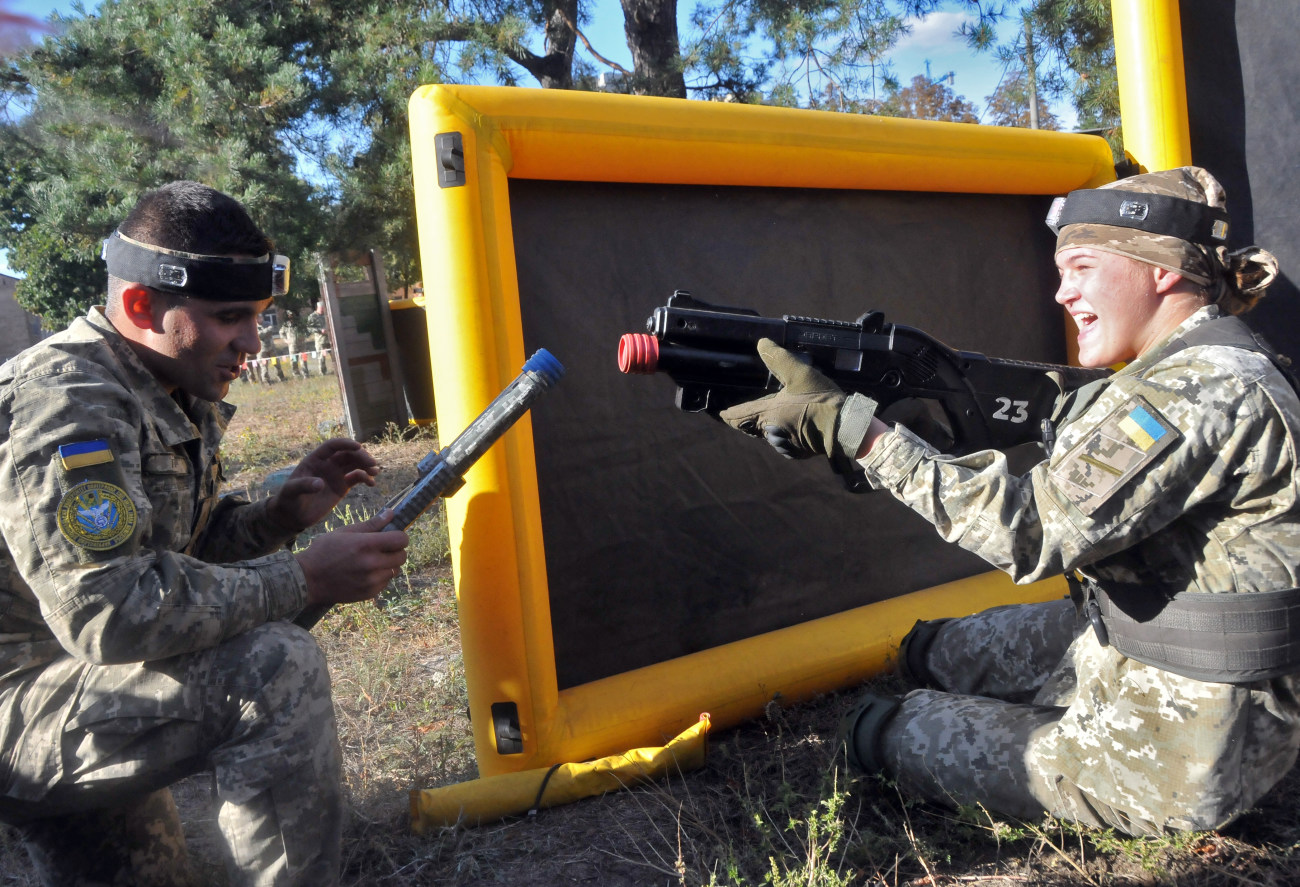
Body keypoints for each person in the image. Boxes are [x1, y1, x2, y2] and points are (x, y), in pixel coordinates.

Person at [717, 167, 1300, 836]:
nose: (1063, 291)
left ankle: (908, 731)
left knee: (892, 729)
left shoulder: (1197, 390)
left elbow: (1030, 531)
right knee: (940, 649)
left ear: (1160, 270)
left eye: (1081, 266)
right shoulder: (1187, 367)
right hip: (1150, 648)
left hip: (1193, 747)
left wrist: (864, 434)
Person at [0, 180, 410, 885]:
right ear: (139, 305)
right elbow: (109, 609)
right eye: (228, 317)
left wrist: (273, 519)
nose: (252, 341)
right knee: (274, 667)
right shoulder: (65, 404)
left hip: (75, 689)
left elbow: (162, 547)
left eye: (256, 316)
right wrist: (305, 577)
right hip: (23, 710)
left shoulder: (159, 377)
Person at [280, 310, 308, 378]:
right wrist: (285, 340)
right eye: (289, 315)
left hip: (301, 345)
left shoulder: (300, 323)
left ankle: (305, 374)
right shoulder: (286, 325)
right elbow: (281, 333)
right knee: (293, 361)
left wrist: (304, 337)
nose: (291, 316)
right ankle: (296, 375)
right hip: (292, 346)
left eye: (292, 315)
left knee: (303, 360)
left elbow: (306, 330)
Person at [306, 303, 331, 375]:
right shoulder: (312, 316)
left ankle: (337, 370)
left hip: (330, 339)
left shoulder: (326, 314)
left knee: (335, 356)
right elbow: (309, 328)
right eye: (322, 308)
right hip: (320, 341)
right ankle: (323, 372)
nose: (323, 310)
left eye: (324, 308)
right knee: (321, 357)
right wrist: (320, 330)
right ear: (318, 307)